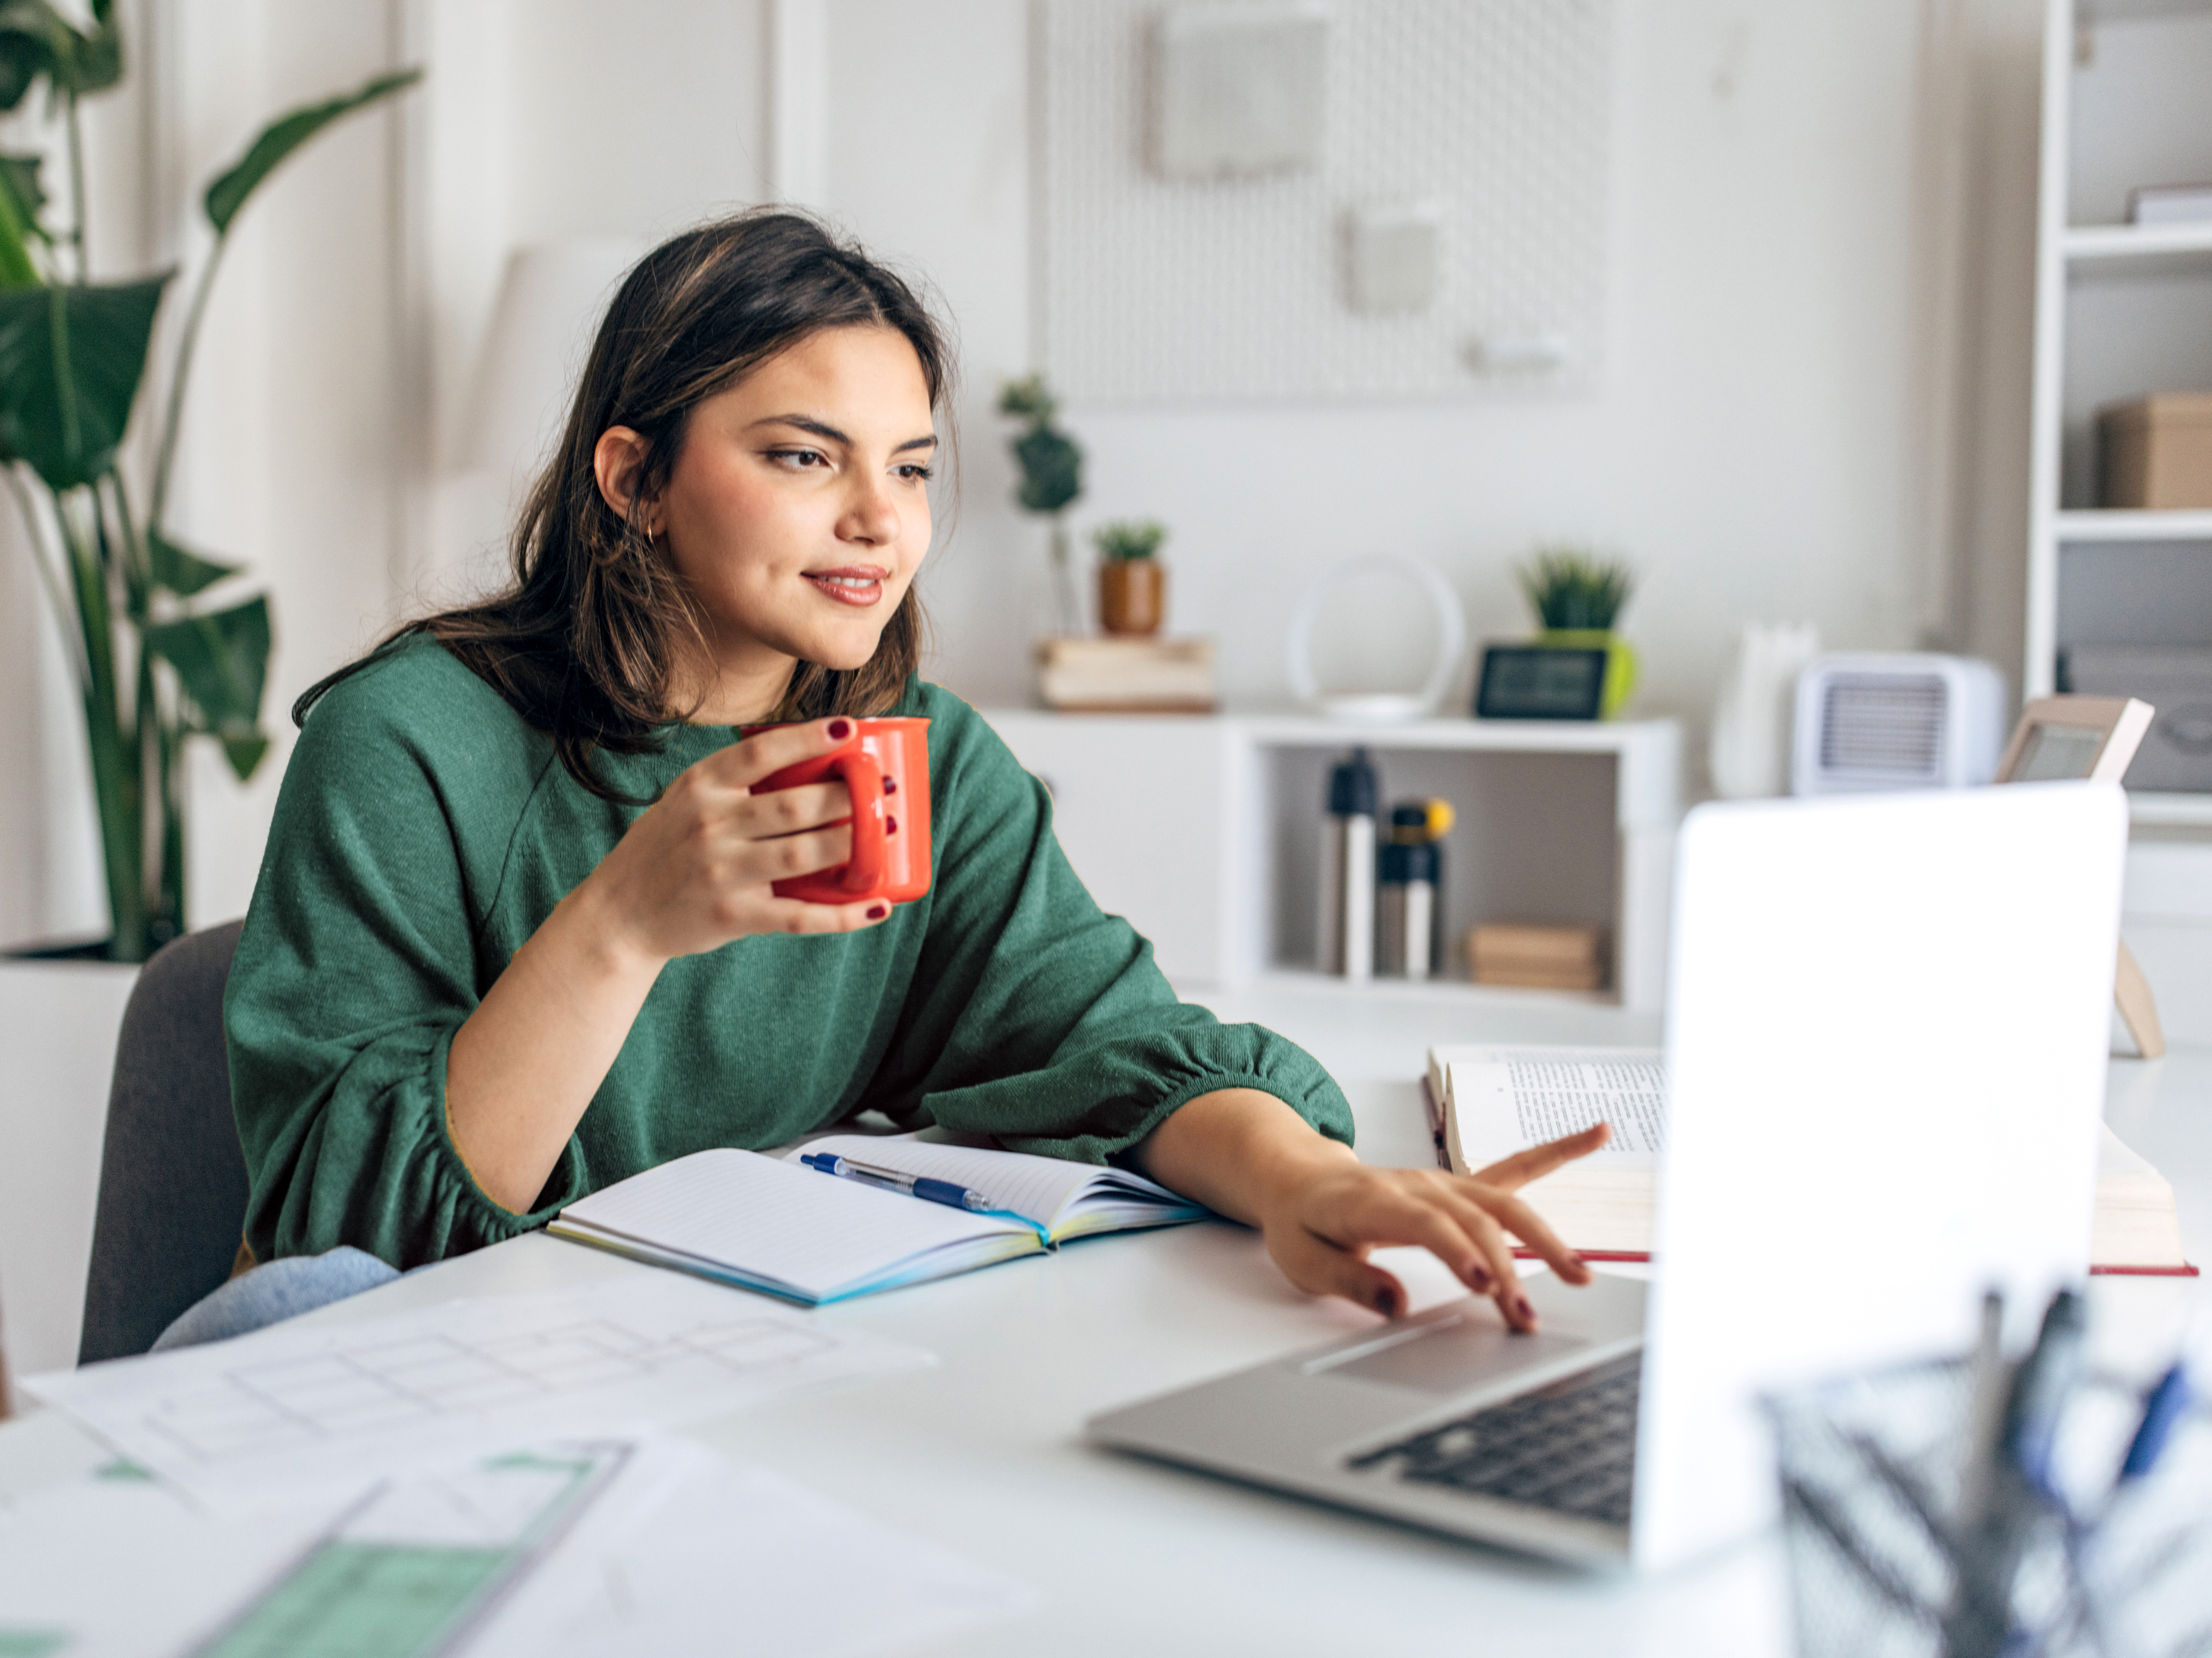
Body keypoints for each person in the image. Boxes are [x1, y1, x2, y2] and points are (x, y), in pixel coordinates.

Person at [172, 210, 1606, 1352]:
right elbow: (349, 1245)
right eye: (804, 456)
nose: (879, 519)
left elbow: (1107, 1042)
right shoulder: (408, 742)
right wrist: (623, 925)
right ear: (632, 477)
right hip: (402, 1378)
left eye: (911, 468)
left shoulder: (921, 760)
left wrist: (1305, 1182)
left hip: (721, 1371)